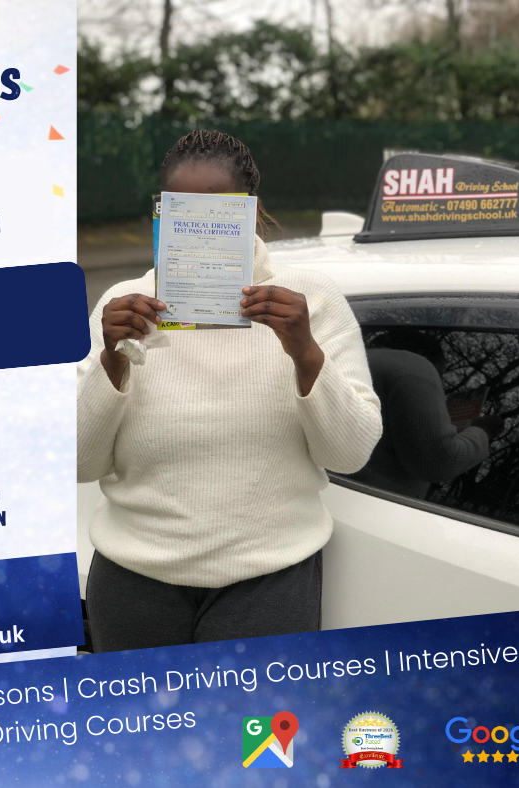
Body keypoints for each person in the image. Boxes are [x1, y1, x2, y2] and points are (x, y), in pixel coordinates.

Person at [77, 130, 383, 652]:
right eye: (181, 214)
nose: (199, 232)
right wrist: (113, 358)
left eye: (218, 213)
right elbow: (80, 463)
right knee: (143, 711)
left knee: (254, 713)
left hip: (269, 580)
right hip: (134, 580)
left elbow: (350, 454)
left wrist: (304, 351)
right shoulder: (125, 306)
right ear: (161, 214)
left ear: (252, 212)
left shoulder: (312, 301)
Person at [352, 328, 504, 499]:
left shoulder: (354, 360)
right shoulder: (412, 366)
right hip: (373, 503)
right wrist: (482, 431)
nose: (437, 380)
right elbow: (439, 463)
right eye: (438, 374)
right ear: (423, 354)